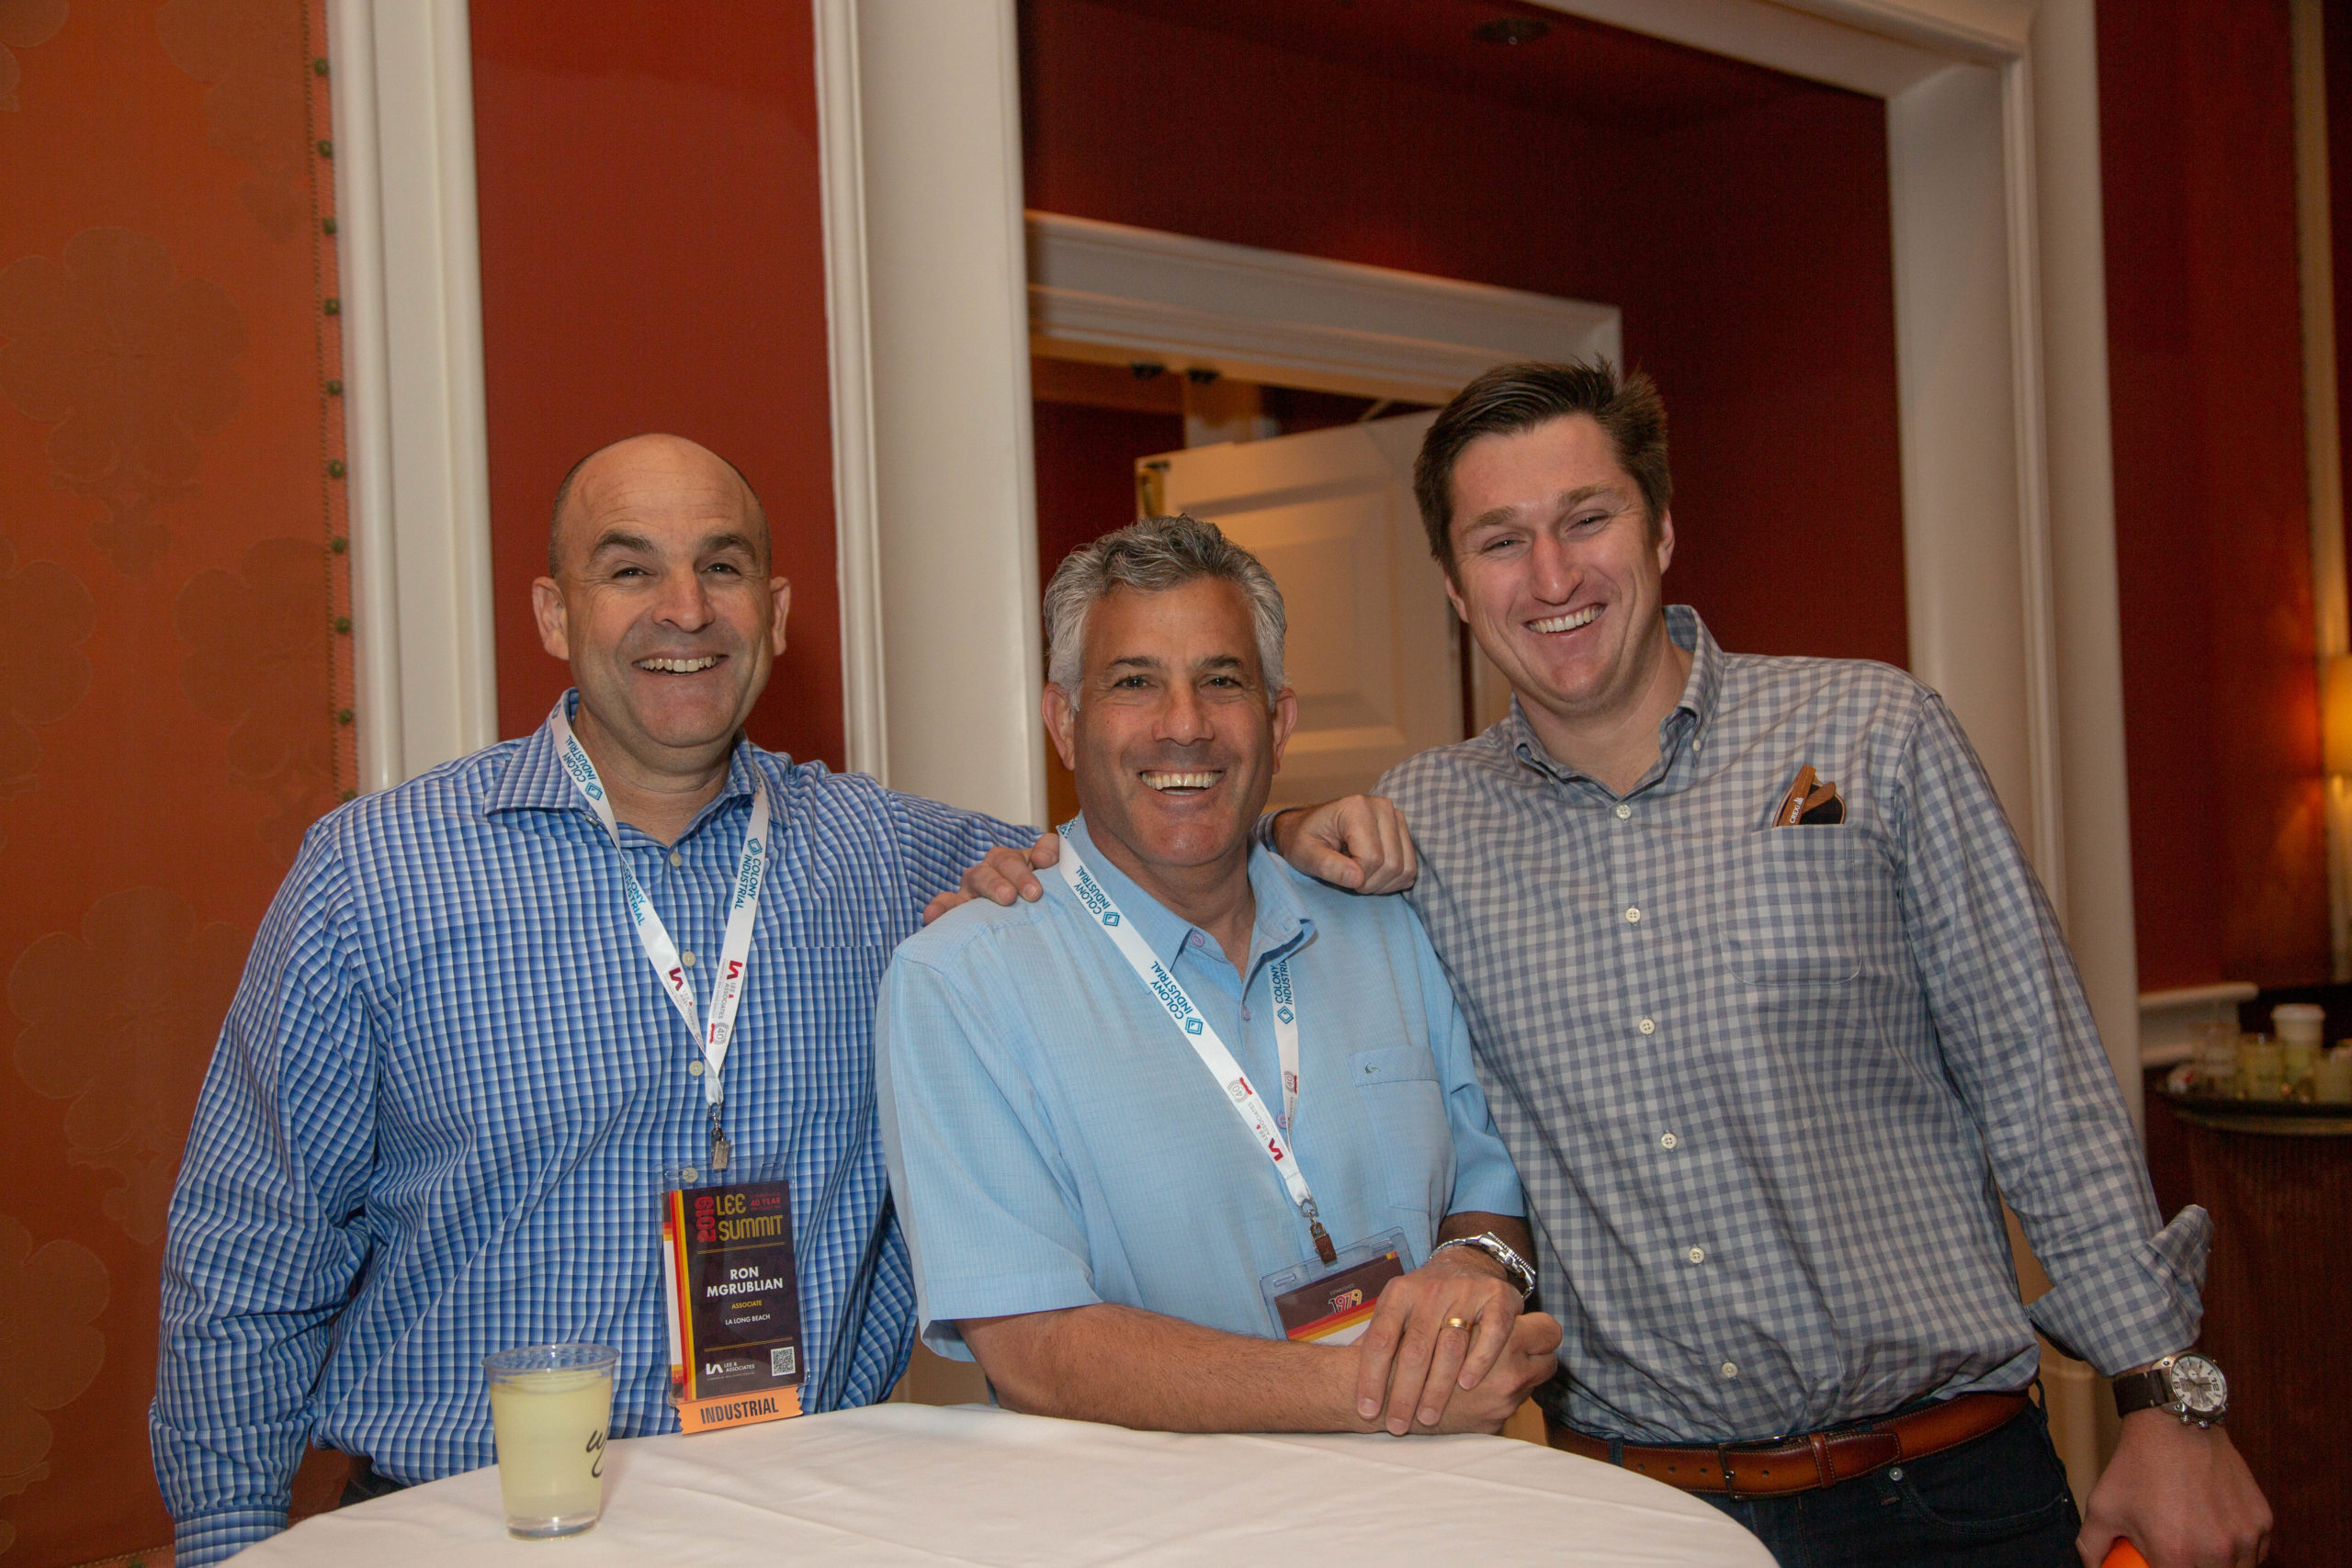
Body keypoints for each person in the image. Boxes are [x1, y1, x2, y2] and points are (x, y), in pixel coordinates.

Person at [953, 364, 2271, 1568]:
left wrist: (2169, 1397)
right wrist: (1046, 876)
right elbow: (1192, 828)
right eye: (1499, 540)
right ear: (1455, 588)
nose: (1551, 574)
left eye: (1585, 519)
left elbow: (2044, 1087)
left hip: (1939, 1492)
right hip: (1632, 1511)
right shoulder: (1421, 829)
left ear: (1660, 531)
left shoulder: (1874, 737)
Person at [148, 434, 1407, 1567]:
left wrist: (1286, 830)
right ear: (553, 611)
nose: (684, 608)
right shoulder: (376, 876)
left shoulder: (889, 855)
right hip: (469, 1524)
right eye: (629, 569)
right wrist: (223, 1546)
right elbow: (247, 1253)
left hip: (807, 1521)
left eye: (724, 566)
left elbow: (1145, 828)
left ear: (778, 609)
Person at [876, 517, 1560, 1435]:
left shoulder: (1382, 922)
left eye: (1222, 680)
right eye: (1134, 682)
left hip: (1440, 1493)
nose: (1185, 724)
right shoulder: (961, 984)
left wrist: (1473, 1266)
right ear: (1065, 723)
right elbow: (1034, 1351)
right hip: (1165, 1510)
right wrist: (1377, 1391)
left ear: (1278, 722)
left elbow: (1485, 1185)